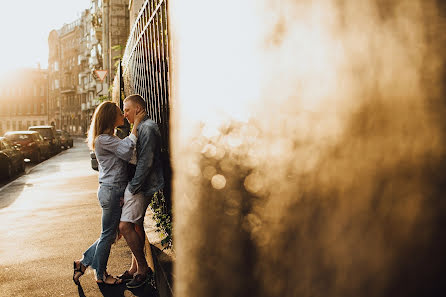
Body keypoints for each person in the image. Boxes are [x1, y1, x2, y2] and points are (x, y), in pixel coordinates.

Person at [72, 101, 146, 285]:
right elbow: (127, 150)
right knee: (108, 235)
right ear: (110, 117)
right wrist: (136, 124)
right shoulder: (104, 139)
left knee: (111, 234)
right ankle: (101, 275)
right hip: (111, 190)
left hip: (112, 190)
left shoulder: (109, 138)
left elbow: (127, 153)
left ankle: (82, 263)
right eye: (119, 113)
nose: (123, 114)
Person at [117, 94, 164, 289]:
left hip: (142, 186)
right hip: (140, 185)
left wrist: (132, 187)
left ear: (137, 109)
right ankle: (134, 267)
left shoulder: (149, 128)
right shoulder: (141, 127)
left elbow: (146, 163)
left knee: (125, 226)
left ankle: (143, 270)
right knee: (136, 225)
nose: (124, 114)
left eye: (127, 110)